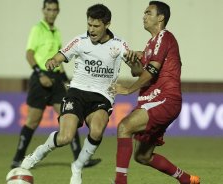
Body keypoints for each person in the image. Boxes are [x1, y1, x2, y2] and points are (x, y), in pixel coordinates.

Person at [20, 4, 130, 184]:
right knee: (65, 137)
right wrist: (52, 61)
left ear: (107, 24)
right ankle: (39, 152)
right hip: (77, 93)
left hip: (102, 96)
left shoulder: (119, 45)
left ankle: (77, 166)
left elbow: (136, 69)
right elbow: (60, 55)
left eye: (96, 26)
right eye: (89, 25)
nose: (91, 30)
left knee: (96, 130)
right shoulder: (80, 41)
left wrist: (135, 62)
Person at [110, 1, 200, 184]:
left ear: (161, 18)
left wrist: (127, 89)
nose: (144, 16)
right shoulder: (152, 44)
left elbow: (151, 71)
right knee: (142, 156)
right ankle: (187, 179)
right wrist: (133, 59)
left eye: (148, 12)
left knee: (124, 127)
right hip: (155, 100)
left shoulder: (164, 37)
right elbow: (138, 71)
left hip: (164, 99)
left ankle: (120, 182)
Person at [11, 0, 101, 169]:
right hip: (40, 78)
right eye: (49, 9)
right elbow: (29, 54)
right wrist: (39, 74)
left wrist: (66, 80)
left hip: (56, 79)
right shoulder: (37, 29)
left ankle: (81, 159)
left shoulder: (56, 32)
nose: (51, 12)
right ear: (43, 10)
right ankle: (17, 158)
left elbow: (60, 59)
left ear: (58, 11)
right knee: (32, 121)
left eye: (54, 10)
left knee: (70, 116)